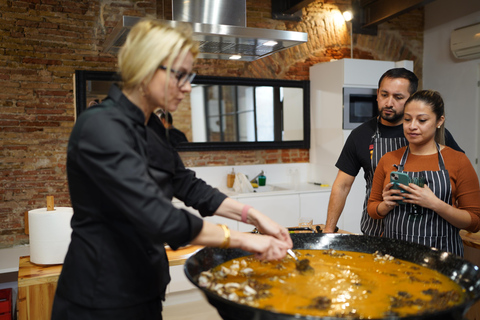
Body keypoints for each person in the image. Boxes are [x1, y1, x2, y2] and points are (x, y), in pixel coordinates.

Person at [51, 19, 292, 320]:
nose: (188, 87)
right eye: (180, 75)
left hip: (144, 289)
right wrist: (244, 239)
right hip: (101, 298)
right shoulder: (100, 127)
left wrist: (254, 216)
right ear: (146, 67)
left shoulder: (150, 125)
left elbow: (187, 185)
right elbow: (157, 217)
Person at [323, 68, 463, 235]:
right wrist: (329, 230)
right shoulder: (360, 135)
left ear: (412, 99)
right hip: (377, 230)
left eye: (398, 97)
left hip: (427, 231)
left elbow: (460, 177)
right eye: (384, 95)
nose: (389, 103)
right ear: (377, 94)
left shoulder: (433, 134)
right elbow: (342, 186)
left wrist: (457, 214)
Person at [367, 90, 480, 256]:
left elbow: (475, 222)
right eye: (407, 119)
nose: (412, 126)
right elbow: (372, 208)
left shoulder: (458, 160)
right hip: (395, 254)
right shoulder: (388, 159)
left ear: (439, 121)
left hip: (441, 257)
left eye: (422, 120)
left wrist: (435, 204)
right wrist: (386, 205)